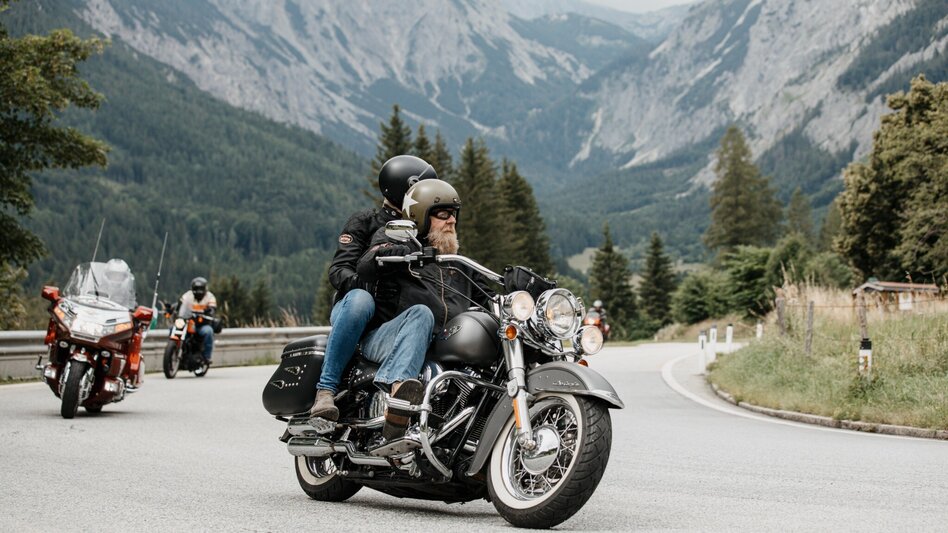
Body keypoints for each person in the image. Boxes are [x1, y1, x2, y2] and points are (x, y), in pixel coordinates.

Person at [357, 178, 493, 439]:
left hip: (441, 343)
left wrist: (518, 293)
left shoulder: (458, 264)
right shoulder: (399, 244)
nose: (451, 221)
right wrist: (400, 251)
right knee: (421, 314)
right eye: (442, 214)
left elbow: (488, 297)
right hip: (387, 338)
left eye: (454, 214)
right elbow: (369, 261)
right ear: (420, 216)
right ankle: (399, 397)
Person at [308, 155, 438, 422]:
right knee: (360, 300)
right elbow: (339, 270)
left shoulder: (423, 229)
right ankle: (326, 389)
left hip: (396, 322)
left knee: (423, 313)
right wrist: (367, 283)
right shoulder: (365, 221)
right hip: (356, 314)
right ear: (406, 188)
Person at [177, 277, 218, 364]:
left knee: (208, 332)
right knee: (173, 329)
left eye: (200, 289)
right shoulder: (188, 295)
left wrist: (209, 311)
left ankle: (207, 357)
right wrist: (172, 308)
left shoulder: (210, 297)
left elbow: (212, 308)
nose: (198, 292)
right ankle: (175, 351)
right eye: (196, 289)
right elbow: (180, 304)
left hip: (202, 324)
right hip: (189, 323)